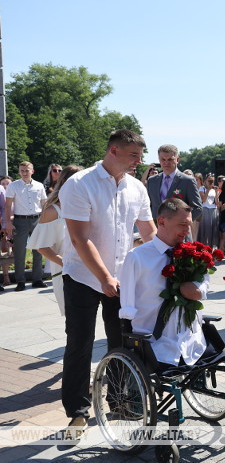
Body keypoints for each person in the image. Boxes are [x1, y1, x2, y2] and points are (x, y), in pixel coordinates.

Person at [59, 129, 157, 439]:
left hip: (120, 277)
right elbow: (79, 238)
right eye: (133, 155)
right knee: (80, 343)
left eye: (140, 156)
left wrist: (170, 262)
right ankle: (77, 412)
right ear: (113, 151)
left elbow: (149, 231)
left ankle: (121, 401)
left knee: (123, 342)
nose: (138, 161)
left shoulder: (137, 188)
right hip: (82, 277)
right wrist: (104, 277)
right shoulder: (79, 184)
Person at [118, 197, 213, 370]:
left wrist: (199, 290)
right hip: (155, 343)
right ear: (161, 221)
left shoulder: (191, 253)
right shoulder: (137, 257)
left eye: (189, 224)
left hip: (192, 341)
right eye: (182, 224)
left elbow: (205, 280)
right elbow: (127, 306)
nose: (187, 230)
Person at [28, 165, 82, 315]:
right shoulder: (53, 211)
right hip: (66, 272)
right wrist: (67, 264)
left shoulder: (86, 207)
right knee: (75, 322)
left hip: (91, 271)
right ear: (64, 182)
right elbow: (42, 247)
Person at [4, 161, 48, 291]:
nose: (24, 173)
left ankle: (37, 280)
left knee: (38, 251)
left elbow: (44, 204)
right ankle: (20, 281)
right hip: (20, 221)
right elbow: (7, 206)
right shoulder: (13, 186)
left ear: (32, 171)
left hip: (37, 220)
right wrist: (8, 223)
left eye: (26, 170)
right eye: (21, 170)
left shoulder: (39, 186)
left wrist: (45, 221)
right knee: (20, 253)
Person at [147, 144, 203, 241]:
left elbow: (197, 207)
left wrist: (182, 223)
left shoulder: (187, 181)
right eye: (163, 160)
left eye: (170, 159)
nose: (166, 163)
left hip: (180, 235)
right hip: (157, 234)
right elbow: (148, 206)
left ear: (177, 159)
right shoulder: (152, 181)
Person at [198, 174, 220, 248]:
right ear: (205, 181)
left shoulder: (214, 190)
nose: (211, 182)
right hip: (205, 209)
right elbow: (203, 200)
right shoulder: (202, 188)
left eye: (212, 181)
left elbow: (217, 203)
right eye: (209, 180)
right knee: (205, 229)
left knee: (213, 229)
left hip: (213, 209)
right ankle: (203, 246)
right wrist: (208, 189)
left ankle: (211, 247)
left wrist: (216, 193)